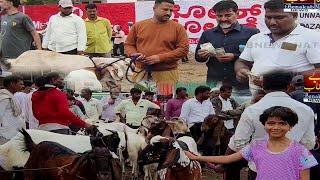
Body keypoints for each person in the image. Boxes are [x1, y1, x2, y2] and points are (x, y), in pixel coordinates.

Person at [186, 106, 318, 180]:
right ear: (264, 125)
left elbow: (305, 178)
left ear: (290, 126)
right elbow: (227, 159)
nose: (276, 127)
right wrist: (197, 157)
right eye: (271, 123)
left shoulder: (301, 151)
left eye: (282, 123)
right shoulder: (256, 146)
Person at [228, 71, 315, 180]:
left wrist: (259, 160)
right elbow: (309, 144)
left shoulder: (251, 110)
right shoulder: (306, 110)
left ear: (263, 86)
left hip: (259, 171)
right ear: (289, 86)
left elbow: (239, 142)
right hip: (291, 170)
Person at [235, 0, 320, 93]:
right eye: (268, 17)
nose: (272, 22)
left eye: (279, 17)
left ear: (294, 15)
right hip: (259, 99)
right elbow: (242, 61)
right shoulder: (256, 38)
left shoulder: (312, 37)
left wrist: (289, 80)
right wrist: (241, 70)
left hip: (296, 99)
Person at [125, 0, 189, 96]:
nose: (168, 13)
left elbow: (183, 50)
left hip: (166, 73)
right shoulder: (138, 26)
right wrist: (134, 54)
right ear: (154, 8)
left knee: (164, 102)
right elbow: (129, 44)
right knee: (140, 102)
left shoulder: (178, 28)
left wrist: (160, 58)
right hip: (141, 72)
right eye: (165, 9)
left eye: (171, 10)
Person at [195, 0, 259, 95]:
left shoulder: (252, 33)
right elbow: (198, 58)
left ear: (237, 14)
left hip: (241, 85)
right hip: (214, 84)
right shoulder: (208, 34)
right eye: (219, 16)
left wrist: (234, 56)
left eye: (228, 15)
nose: (223, 19)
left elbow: (258, 57)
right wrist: (201, 55)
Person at [0, 75, 25, 144]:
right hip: (6, 136)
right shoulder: (4, 98)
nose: (22, 86)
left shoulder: (12, 97)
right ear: (12, 84)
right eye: (20, 84)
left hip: (14, 134)